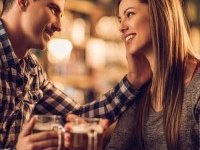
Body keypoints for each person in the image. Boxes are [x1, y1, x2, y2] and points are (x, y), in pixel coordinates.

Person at [0, 0, 152, 149]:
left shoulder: (31, 71)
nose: (59, 26)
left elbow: (77, 118)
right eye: (53, 10)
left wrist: (133, 80)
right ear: (23, 2)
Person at [103, 0, 200, 149]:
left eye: (130, 14)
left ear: (159, 13)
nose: (121, 28)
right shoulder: (139, 89)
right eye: (120, 20)